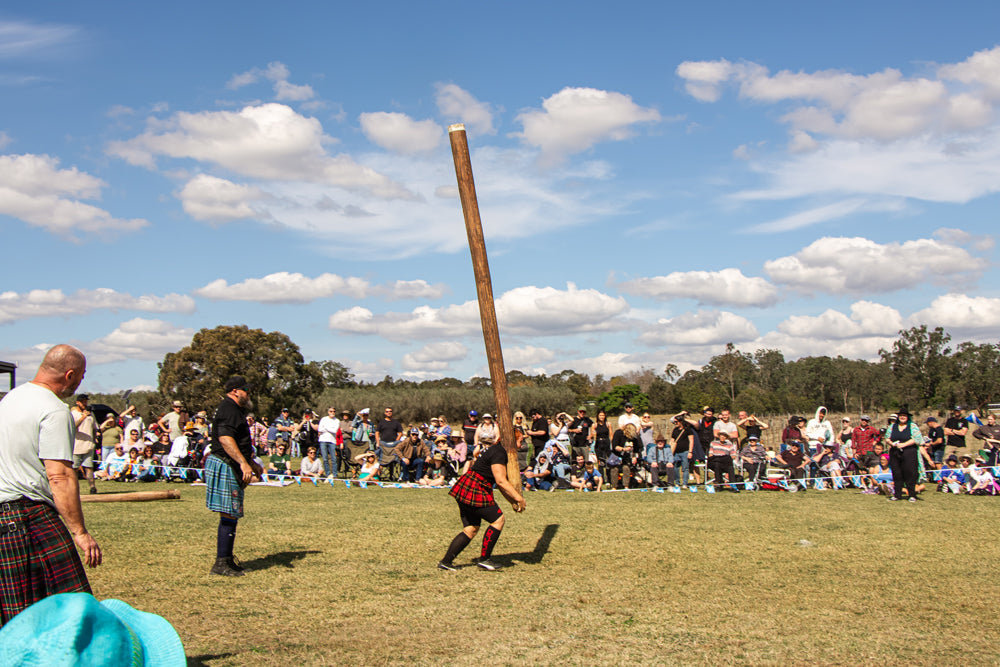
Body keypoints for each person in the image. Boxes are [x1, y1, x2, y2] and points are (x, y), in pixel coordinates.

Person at [0, 344, 101, 624]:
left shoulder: (12, 397)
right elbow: (59, 475)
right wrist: (80, 532)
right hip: (26, 515)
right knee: (70, 608)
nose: (80, 382)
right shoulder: (54, 410)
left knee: (15, 616)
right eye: (80, 376)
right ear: (69, 375)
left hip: (4, 513)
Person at [204, 376, 262, 577]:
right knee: (229, 512)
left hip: (231, 464)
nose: (249, 393)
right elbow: (225, 439)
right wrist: (243, 463)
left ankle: (227, 559)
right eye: (246, 389)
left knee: (231, 512)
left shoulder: (234, 409)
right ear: (235, 391)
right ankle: (221, 563)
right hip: (225, 464)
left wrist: (252, 463)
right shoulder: (228, 408)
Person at [437, 441, 526, 572]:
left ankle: (446, 562)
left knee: (471, 529)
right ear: (511, 439)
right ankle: (484, 559)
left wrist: (512, 501)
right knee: (498, 520)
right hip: (475, 487)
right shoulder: (499, 452)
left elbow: (500, 484)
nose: (521, 445)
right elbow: (500, 481)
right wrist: (519, 498)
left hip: (468, 485)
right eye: (519, 441)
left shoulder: (498, 451)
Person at [886, 409, 923, 502]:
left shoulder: (912, 426)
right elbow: (887, 438)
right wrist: (892, 443)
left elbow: (917, 439)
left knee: (910, 473)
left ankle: (912, 495)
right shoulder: (892, 426)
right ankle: (897, 494)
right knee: (897, 473)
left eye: (904, 416)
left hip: (909, 452)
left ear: (908, 417)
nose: (902, 417)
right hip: (895, 452)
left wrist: (904, 444)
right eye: (901, 415)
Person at [71, 394, 99, 495]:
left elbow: (94, 427)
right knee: (74, 469)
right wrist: (83, 417)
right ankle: (74, 490)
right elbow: (73, 427)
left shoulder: (90, 414)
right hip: (76, 446)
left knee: (89, 467)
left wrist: (96, 437)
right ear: (77, 402)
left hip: (89, 445)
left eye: (86, 401)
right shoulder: (73, 414)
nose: (84, 403)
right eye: (82, 402)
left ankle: (92, 487)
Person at [608, 423, 640, 489]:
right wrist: (624, 449)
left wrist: (634, 457)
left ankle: (626, 486)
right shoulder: (618, 433)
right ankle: (614, 486)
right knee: (614, 469)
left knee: (626, 468)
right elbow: (615, 446)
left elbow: (636, 449)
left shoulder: (633, 437)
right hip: (616, 456)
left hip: (626, 456)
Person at [317, 407, 340, 479]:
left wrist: (326, 427)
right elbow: (320, 429)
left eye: (334, 411)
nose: (332, 412)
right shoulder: (323, 419)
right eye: (331, 411)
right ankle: (327, 474)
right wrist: (329, 429)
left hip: (332, 441)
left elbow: (335, 431)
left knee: (334, 458)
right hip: (323, 440)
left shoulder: (337, 421)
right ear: (328, 412)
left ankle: (335, 474)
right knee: (325, 458)